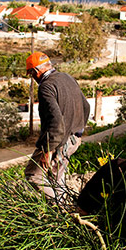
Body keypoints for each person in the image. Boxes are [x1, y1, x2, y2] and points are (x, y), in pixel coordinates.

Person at [24, 51, 90, 203]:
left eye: (31, 74)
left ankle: (61, 211)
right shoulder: (66, 77)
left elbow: (55, 122)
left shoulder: (46, 87)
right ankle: (64, 208)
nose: (32, 78)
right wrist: (78, 133)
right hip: (72, 140)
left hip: (58, 142)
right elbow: (85, 106)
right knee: (56, 177)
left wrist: (48, 150)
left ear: (36, 71)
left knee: (34, 175)